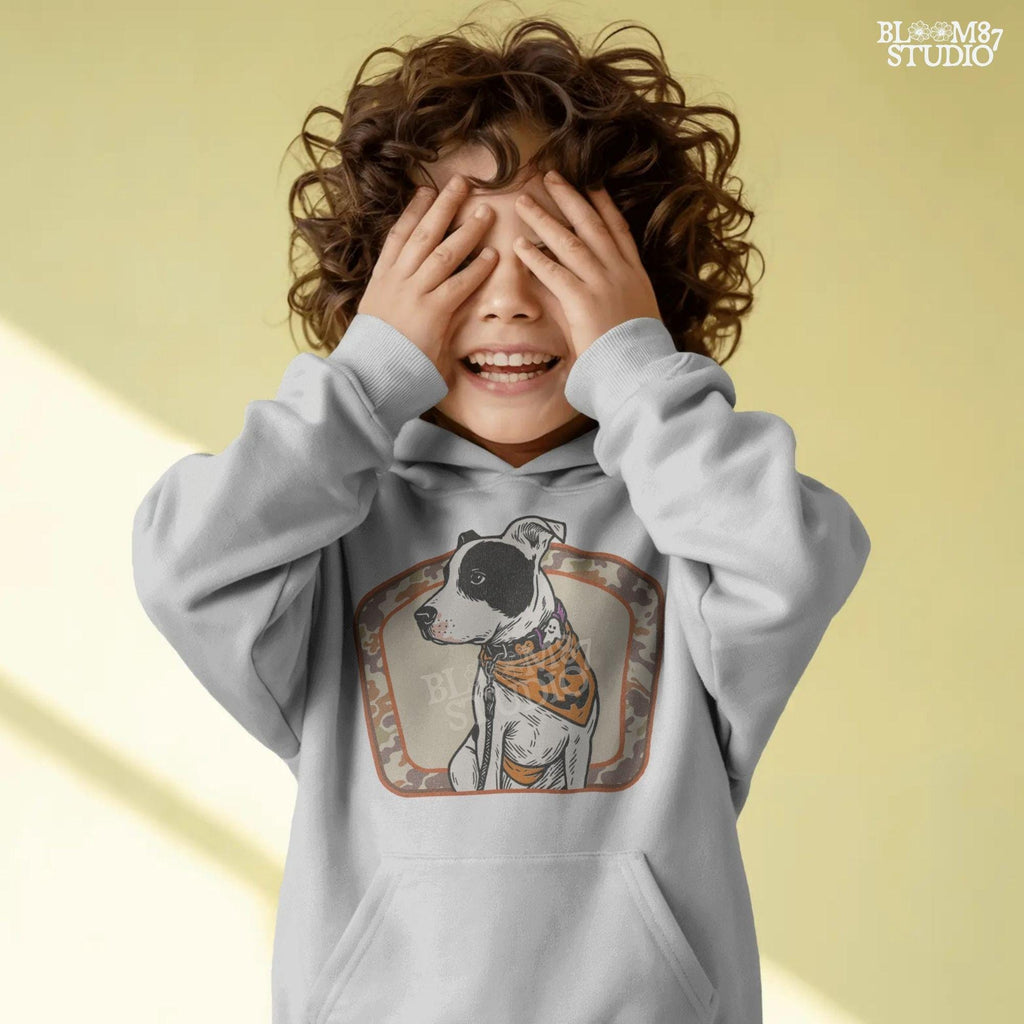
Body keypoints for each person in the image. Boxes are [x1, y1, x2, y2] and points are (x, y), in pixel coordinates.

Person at [131, 14, 871, 1024]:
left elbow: (793, 557)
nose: (512, 301)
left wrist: (641, 378)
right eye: (460, 254)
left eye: (561, 253)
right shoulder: (327, 522)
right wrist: (365, 380)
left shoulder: (685, 515)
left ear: (640, 284)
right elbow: (185, 562)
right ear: (382, 284)